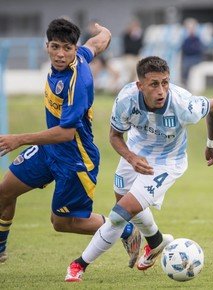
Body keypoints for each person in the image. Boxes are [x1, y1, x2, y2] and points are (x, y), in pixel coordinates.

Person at [65, 56, 213, 282]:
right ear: (140, 85)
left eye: (165, 82)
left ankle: (79, 264)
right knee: (125, 205)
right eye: (154, 84)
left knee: (120, 214)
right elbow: (115, 136)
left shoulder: (184, 104)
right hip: (135, 155)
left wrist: (211, 145)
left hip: (168, 163)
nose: (161, 90)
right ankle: (156, 241)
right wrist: (130, 156)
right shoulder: (126, 99)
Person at [0, 18, 140, 266]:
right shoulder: (82, 54)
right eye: (55, 47)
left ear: (74, 49)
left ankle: (125, 230)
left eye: (67, 48)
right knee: (4, 193)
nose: (60, 54)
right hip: (49, 150)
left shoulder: (79, 81)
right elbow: (98, 43)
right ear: (47, 46)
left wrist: (19, 139)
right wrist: (105, 31)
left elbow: (66, 133)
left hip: (75, 158)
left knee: (62, 223)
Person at [180, 18, 205, 87]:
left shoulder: (197, 39)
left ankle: (186, 81)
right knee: (185, 65)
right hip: (188, 58)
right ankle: (185, 81)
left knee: (188, 64)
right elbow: (185, 49)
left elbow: (199, 49)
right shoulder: (186, 39)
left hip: (196, 58)